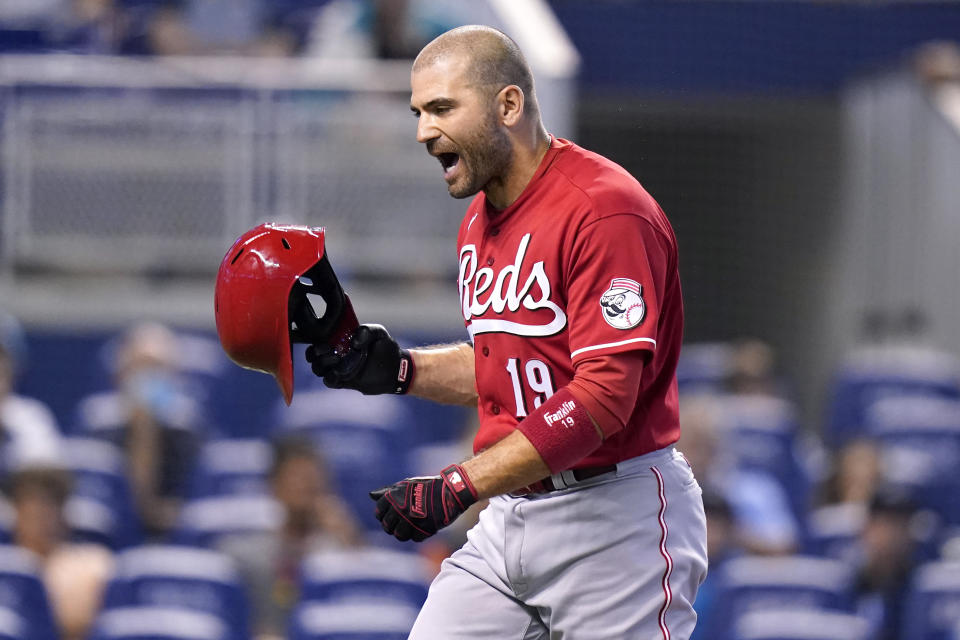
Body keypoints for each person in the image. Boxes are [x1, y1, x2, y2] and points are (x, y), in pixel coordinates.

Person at [304, 25, 707, 639]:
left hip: (615, 517)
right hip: (514, 512)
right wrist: (401, 371)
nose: (422, 131)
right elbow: (514, 367)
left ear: (508, 106)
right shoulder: (478, 221)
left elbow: (603, 396)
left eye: (441, 108)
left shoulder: (605, 209)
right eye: (417, 112)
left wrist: (460, 484)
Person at [217, 436, 363, 640]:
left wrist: (348, 538)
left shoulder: (338, 549)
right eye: (296, 478)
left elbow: (362, 601)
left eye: (312, 479)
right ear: (274, 485)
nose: (305, 487)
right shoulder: (244, 555)